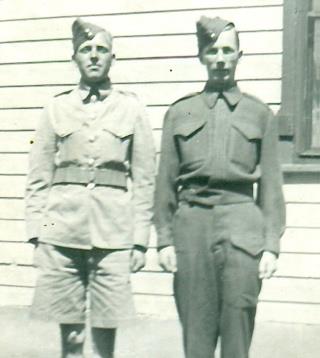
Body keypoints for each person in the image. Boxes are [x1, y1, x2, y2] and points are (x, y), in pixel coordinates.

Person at [154, 16, 285, 358]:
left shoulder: (260, 114)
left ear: (240, 55)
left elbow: (271, 188)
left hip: (242, 226)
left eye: (228, 50)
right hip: (191, 227)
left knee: (238, 330)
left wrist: (271, 245)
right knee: (196, 335)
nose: (221, 59)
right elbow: (164, 183)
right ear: (201, 56)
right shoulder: (180, 112)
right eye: (213, 51)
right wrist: (165, 239)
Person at [25, 18, 155, 358]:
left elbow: (144, 180)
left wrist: (140, 240)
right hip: (61, 233)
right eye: (86, 50)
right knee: (70, 339)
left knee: (104, 338)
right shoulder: (56, 107)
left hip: (113, 235)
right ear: (75, 59)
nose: (94, 56)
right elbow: (38, 179)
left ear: (113, 58)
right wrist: (38, 235)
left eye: (101, 50)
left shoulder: (131, 108)